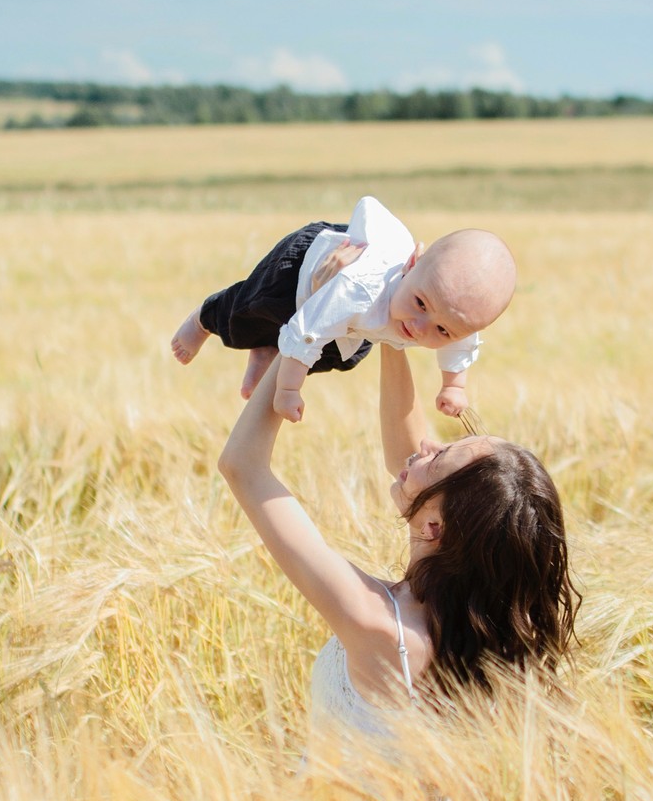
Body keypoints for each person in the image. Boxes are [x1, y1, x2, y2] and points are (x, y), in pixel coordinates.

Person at [217, 338, 579, 755]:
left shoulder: (377, 623)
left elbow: (242, 465)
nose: (424, 446)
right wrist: (391, 335)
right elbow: (409, 460)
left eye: (439, 457)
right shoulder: (484, 630)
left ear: (433, 529)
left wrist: (303, 332)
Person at [172, 195, 516, 422]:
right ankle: (203, 319)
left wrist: (454, 386)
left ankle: (268, 349)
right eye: (420, 304)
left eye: (443, 331)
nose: (420, 326)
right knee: (247, 311)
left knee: (344, 357)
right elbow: (308, 329)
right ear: (412, 263)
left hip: (349, 319)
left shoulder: (453, 312)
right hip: (303, 270)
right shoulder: (360, 289)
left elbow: (463, 343)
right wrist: (288, 390)